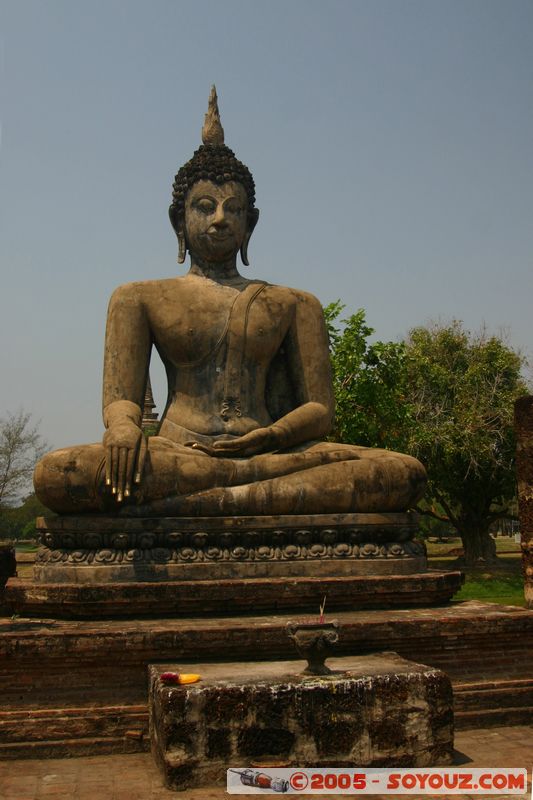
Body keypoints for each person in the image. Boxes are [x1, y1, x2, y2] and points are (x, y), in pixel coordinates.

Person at [34, 88, 426, 517]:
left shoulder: (295, 304)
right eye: (204, 207)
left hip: (272, 454)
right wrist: (125, 429)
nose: (219, 218)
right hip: (178, 453)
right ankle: (241, 495)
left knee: (400, 472)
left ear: (249, 223)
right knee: (62, 474)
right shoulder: (137, 298)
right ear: (178, 219)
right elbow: (119, 399)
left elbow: (318, 410)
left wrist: (272, 436)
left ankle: (210, 498)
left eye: (233, 208)